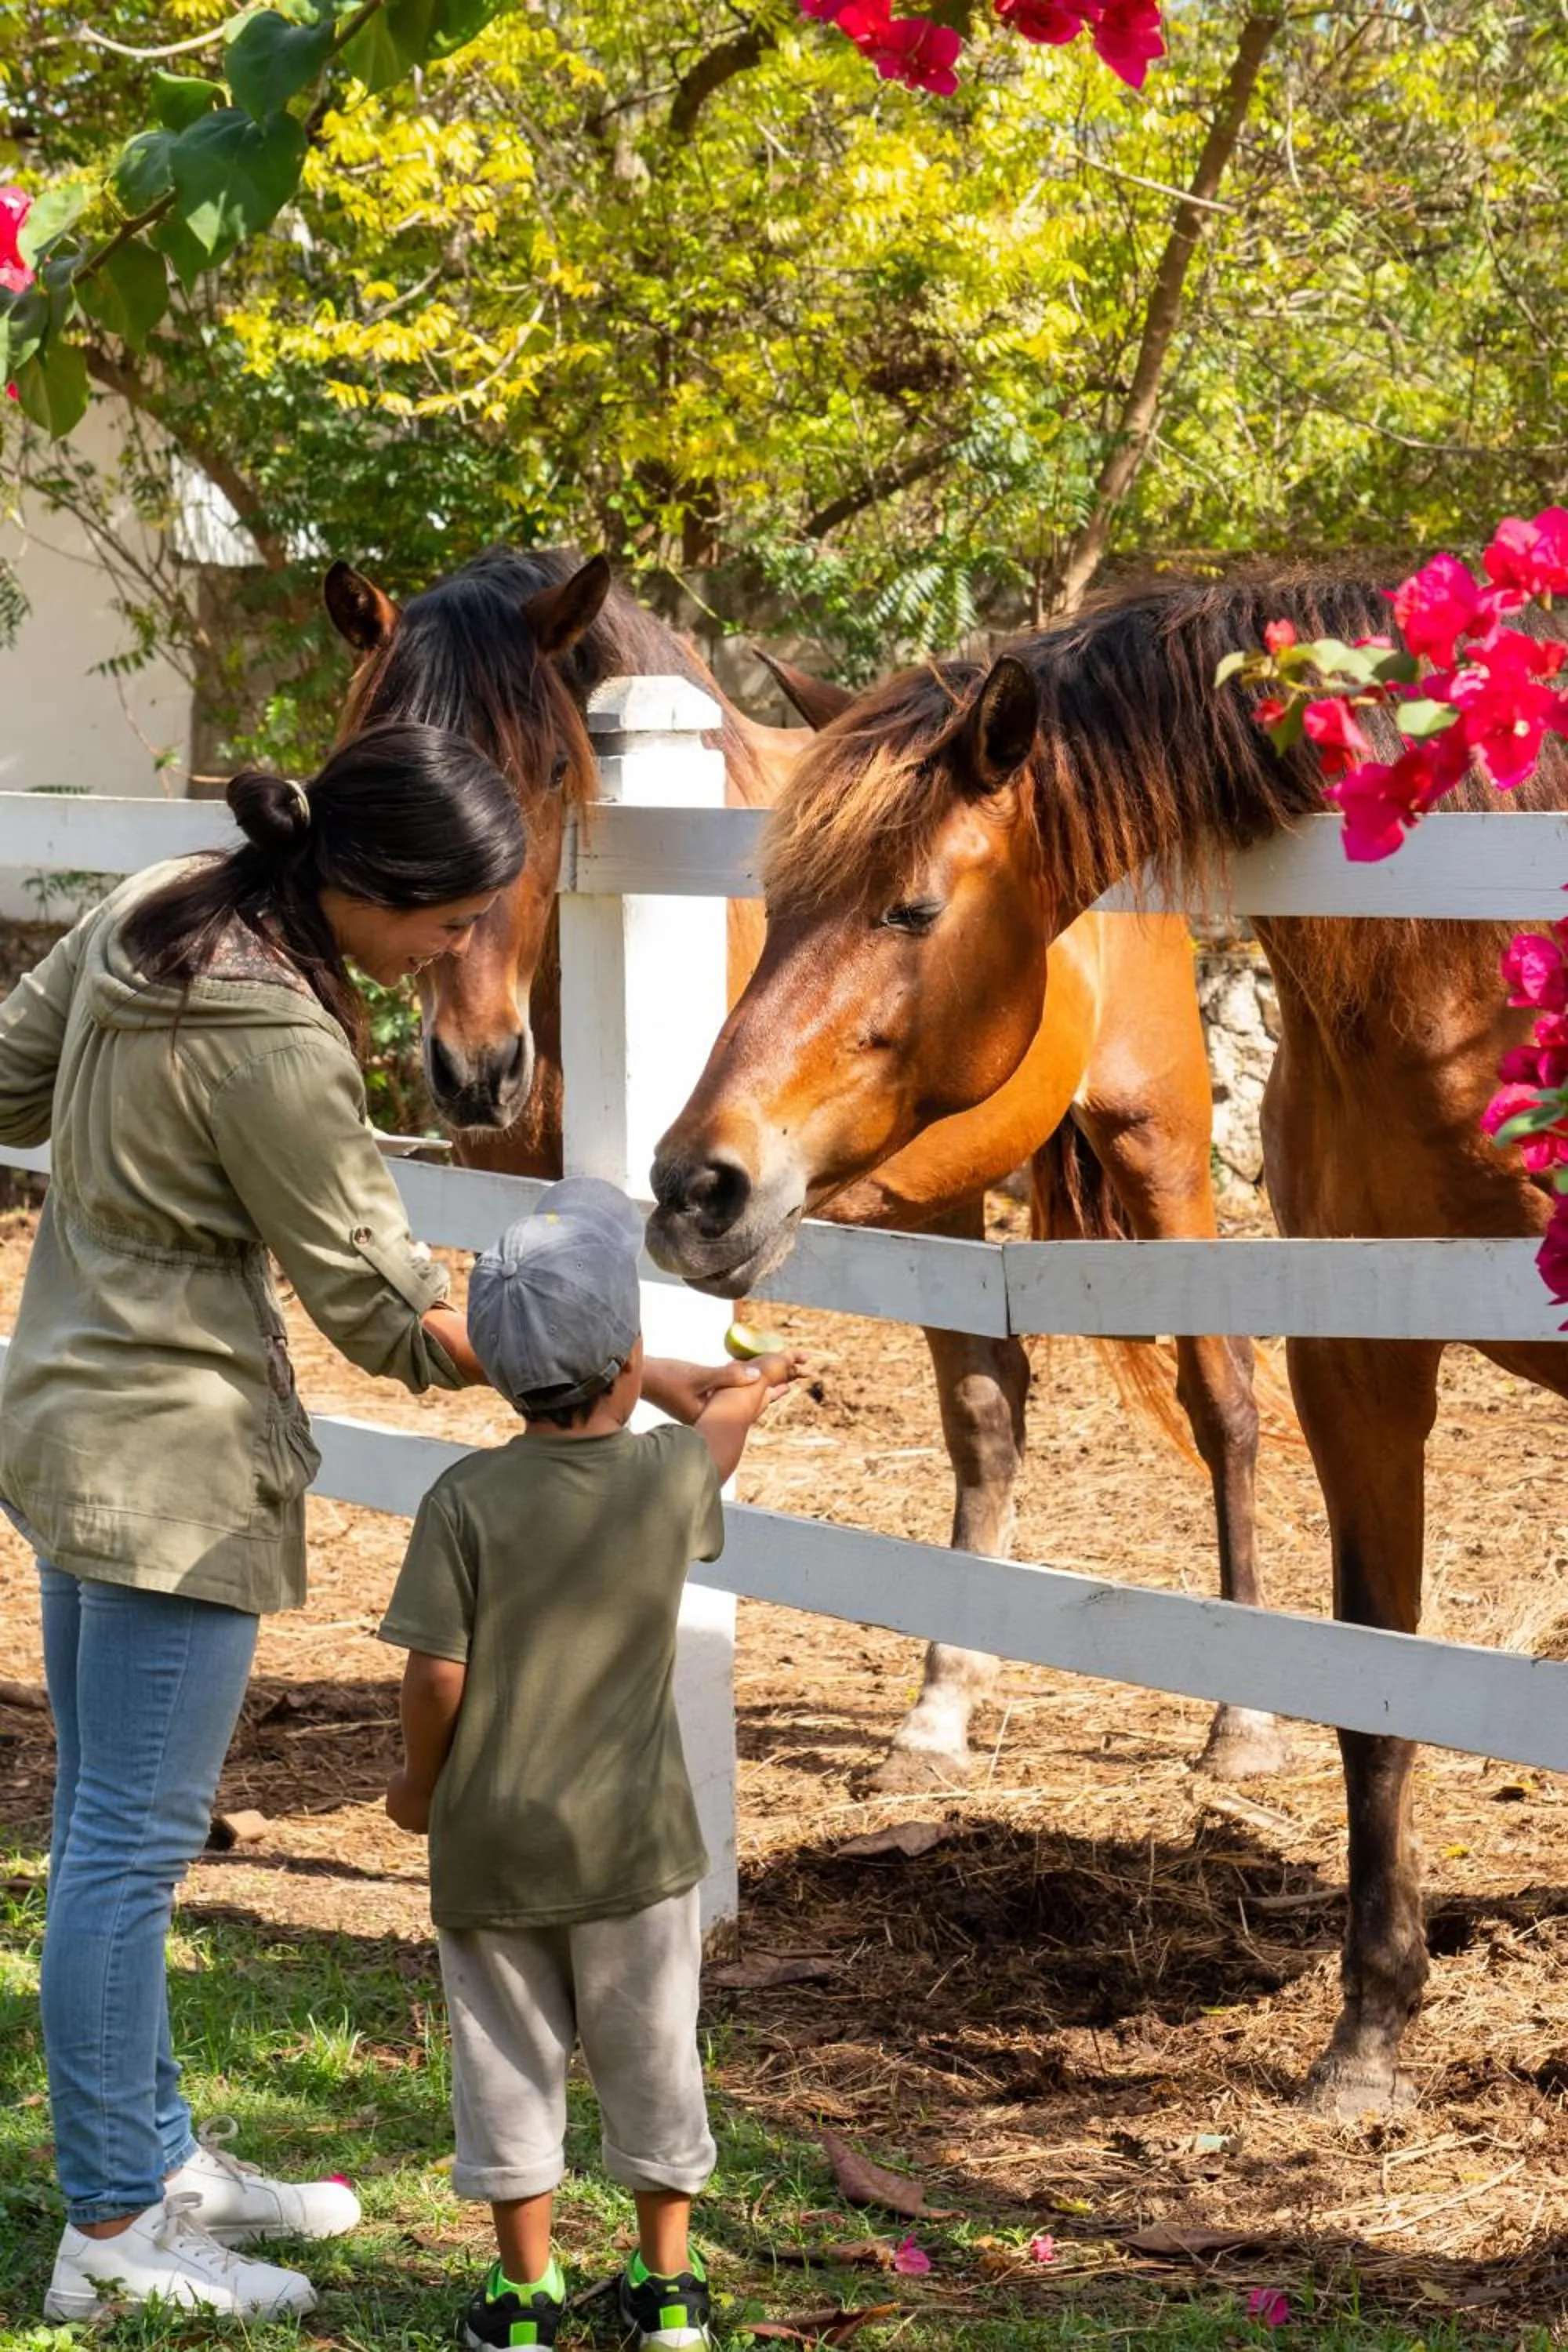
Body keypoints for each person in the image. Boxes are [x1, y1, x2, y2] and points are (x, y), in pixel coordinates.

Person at [0, 726, 755, 2324]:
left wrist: (126, 1196)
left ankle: (156, 2151)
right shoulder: (276, 1033)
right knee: (129, 1853)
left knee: (99, 1824)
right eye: (453, 920)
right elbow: (378, 1305)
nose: (462, 952)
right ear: (370, 884)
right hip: (172, 1460)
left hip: (65, 1395)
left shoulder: (156, 906)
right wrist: (611, 1368)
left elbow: (10, 1070)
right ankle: (117, 2230)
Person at [379, 1178, 795, 2351]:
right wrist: (752, 1382)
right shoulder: (663, 1481)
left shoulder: (461, 1500)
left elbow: (435, 1676)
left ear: (502, 1375)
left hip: (491, 1845)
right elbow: (716, 1428)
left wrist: (419, 1786)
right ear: (626, 1362)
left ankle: (522, 2299)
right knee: (653, 2057)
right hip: (635, 1847)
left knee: (506, 2065)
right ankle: (665, 2289)